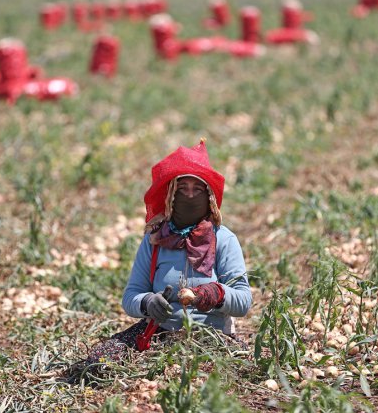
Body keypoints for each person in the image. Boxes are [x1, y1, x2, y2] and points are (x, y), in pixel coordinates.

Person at [77, 140, 252, 376]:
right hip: (159, 333)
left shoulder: (224, 239)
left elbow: (243, 301)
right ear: (171, 195)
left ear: (208, 197)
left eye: (197, 189)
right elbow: (130, 296)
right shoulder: (155, 240)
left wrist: (217, 294)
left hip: (210, 335)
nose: (190, 195)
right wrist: (148, 303)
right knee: (96, 366)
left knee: (215, 377)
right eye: (182, 188)